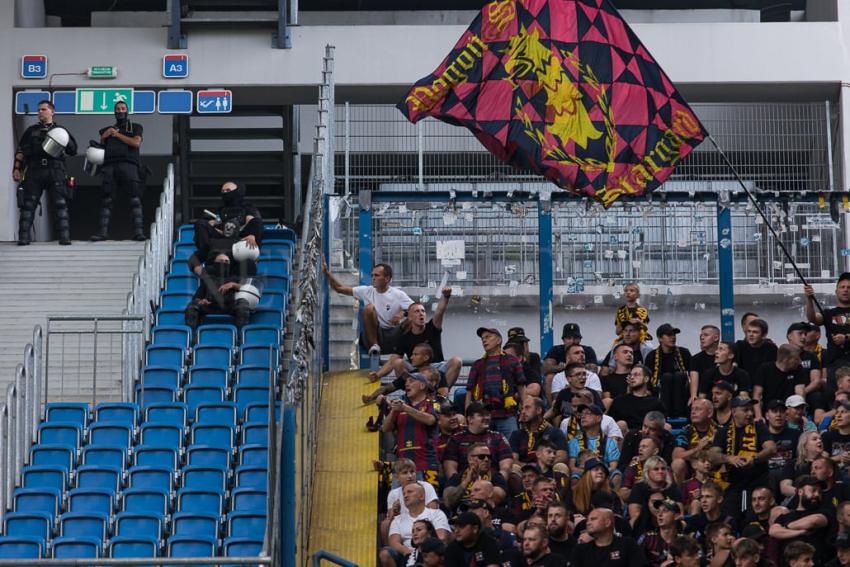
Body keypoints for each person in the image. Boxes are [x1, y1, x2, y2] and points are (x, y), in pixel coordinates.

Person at [13, 99, 77, 245]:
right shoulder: (31, 130)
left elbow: (73, 150)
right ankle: (24, 238)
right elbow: (21, 151)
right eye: (39, 110)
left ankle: (64, 238)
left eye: (43, 109)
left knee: (60, 203)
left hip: (55, 169)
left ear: (52, 112)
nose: (40, 112)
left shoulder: (61, 130)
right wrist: (17, 168)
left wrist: (62, 137)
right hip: (34, 170)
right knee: (28, 204)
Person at [709, 397, 776, 521]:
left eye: (751, 410)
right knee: (728, 522)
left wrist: (754, 459)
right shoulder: (723, 432)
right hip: (732, 486)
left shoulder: (759, 427)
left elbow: (771, 449)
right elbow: (712, 456)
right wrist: (729, 458)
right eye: (745, 410)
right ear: (734, 411)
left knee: (753, 522)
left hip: (757, 485)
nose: (750, 414)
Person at [325, 261, 412, 356]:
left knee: (412, 319)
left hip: (393, 333)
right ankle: (375, 346)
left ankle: (410, 349)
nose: (373, 278)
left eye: (377, 275)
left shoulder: (398, 294)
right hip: (375, 334)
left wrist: (402, 313)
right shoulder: (366, 291)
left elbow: (416, 309)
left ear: (387, 279)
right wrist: (326, 272)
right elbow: (339, 288)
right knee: (369, 308)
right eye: (372, 275)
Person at [90, 101, 146, 241]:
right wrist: (104, 137)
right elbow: (101, 148)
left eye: (123, 108)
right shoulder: (106, 130)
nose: (120, 111)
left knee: (134, 199)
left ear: (127, 111)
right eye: (117, 109)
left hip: (129, 165)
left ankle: (138, 232)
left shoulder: (135, 127)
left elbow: (136, 143)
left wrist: (116, 134)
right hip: (110, 166)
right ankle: (102, 233)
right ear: (114, 112)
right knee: (106, 200)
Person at [189, 181, 263, 277]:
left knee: (256, 222)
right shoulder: (220, 210)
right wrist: (213, 225)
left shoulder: (248, 208)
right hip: (222, 238)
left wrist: (249, 234)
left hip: (241, 239)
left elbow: (253, 221)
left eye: (228, 190)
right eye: (223, 191)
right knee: (201, 223)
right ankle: (207, 253)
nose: (225, 193)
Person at [393, 290, 463, 388]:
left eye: (423, 311)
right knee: (397, 363)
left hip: (437, 367)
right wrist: (378, 374)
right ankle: (411, 396)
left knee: (457, 361)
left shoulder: (432, 327)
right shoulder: (404, 337)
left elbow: (439, 311)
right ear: (409, 317)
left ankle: (441, 396)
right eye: (417, 311)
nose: (421, 313)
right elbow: (394, 359)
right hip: (416, 369)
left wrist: (446, 296)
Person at [382, 372, 440, 488]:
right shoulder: (401, 407)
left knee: (426, 502)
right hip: (402, 467)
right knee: (398, 502)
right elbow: (385, 428)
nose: (407, 384)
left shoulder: (433, 404)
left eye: (411, 381)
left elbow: (430, 420)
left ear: (422, 386)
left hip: (425, 464)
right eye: (406, 381)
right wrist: (394, 410)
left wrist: (405, 408)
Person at [466, 327, 526, 438]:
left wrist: (525, 408)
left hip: (507, 414)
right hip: (483, 414)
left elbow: (521, 386)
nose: (484, 340)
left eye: (488, 337)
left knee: (510, 447)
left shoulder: (512, 361)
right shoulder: (477, 364)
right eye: (482, 339)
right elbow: (469, 390)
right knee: (484, 448)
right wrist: (467, 414)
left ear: (499, 340)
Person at [383, 483, 451, 567]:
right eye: (404, 493)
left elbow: (441, 538)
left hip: (431, 552)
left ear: (422, 496)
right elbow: (393, 543)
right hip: (405, 554)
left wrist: (422, 551)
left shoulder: (437, 513)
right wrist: (409, 554)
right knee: (385, 552)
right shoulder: (398, 519)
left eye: (410, 492)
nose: (405, 496)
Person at [442, 404, 514, 481]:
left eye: (487, 415)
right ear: (470, 419)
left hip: (492, 483)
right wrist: (460, 486)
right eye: (481, 415)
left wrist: (499, 483)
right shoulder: (456, 439)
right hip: (463, 483)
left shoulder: (498, 437)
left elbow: (506, 467)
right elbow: (450, 468)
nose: (486, 418)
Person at [184, 253, 254, 331]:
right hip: (210, 306)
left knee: (243, 305)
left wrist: (233, 284)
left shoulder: (235, 278)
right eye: (221, 261)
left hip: (230, 305)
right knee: (192, 306)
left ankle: (241, 336)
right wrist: (202, 301)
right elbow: (197, 298)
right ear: (215, 264)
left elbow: (250, 289)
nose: (224, 263)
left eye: (226, 262)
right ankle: (193, 337)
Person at [568, 508, 649, 567]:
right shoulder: (580, 550)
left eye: (593, 519)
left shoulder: (627, 544)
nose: (588, 523)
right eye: (587, 520)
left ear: (607, 523)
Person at [645, 324, 692, 419]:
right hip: (660, 391)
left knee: (679, 376)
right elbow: (648, 377)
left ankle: (680, 414)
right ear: (660, 338)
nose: (673, 337)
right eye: (669, 335)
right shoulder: (652, 356)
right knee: (667, 377)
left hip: (682, 390)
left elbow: (692, 374)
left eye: (674, 335)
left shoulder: (684, 352)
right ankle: (664, 414)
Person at [804, 274, 850, 371]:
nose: (846, 290)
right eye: (842, 287)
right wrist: (809, 299)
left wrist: (846, 337)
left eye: (849, 287)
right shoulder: (828, 313)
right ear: (836, 292)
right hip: (835, 365)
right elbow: (813, 318)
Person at [752, 345, 809, 422]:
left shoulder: (798, 369)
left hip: (789, 412)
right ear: (786, 360)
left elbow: (800, 393)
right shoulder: (764, 369)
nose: (800, 361)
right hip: (770, 411)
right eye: (796, 359)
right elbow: (757, 395)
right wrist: (759, 416)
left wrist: (801, 414)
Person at [627, 456, 681, 537]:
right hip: (645, 522)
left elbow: (679, 512)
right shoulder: (639, 488)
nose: (660, 471)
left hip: (669, 522)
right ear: (647, 472)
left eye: (663, 469)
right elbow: (635, 514)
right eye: (656, 469)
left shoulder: (672, 488)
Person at [567, 405, 621, 482]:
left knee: (616, 474)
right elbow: (571, 466)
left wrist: (597, 473)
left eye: (588, 413)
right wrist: (589, 473)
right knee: (575, 476)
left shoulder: (609, 442)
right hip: (583, 475)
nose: (583, 416)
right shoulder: (574, 441)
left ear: (598, 418)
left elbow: (613, 466)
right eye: (582, 414)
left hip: (602, 474)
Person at [509, 396, 568, 465]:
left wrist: (542, 467)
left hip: (548, 470)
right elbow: (513, 460)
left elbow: (562, 457)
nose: (523, 412)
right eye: (522, 409)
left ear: (539, 410)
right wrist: (529, 468)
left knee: (560, 466)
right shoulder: (516, 434)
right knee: (514, 468)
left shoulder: (555, 432)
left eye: (527, 408)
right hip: (524, 471)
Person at [608, 365, 667, 433]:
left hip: (649, 437)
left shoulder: (656, 403)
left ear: (646, 379)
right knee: (621, 424)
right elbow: (610, 423)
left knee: (666, 426)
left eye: (636, 375)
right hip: (626, 438)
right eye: (631, 375)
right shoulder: (619, 401)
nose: (632, 377)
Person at [785, 322, 826, 418]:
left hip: (808, 393)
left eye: (805, 334)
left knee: (817, 396)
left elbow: (816, 381)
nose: (803, 337)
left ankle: (820, 426)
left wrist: (801, 394)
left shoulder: (811, 356)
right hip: (786, 393)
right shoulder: (781, 355)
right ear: (789, 336)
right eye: (800, 333)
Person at [672, 399, 717, 484]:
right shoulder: (687, 430)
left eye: (698, 409)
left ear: (710, 413)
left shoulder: (719, 431)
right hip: (691, 469)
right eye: (692, 409)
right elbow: (676, 456)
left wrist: (716, 445)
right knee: (677, 463)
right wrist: (697, 449)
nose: (693, 412)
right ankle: (680, 493)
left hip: (713, 467)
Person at [762, 399, 801, 494]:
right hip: (767, 477)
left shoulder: (796, 434)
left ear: (786, 416)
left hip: (790, 476)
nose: (778, 415)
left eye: (782, 411)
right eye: (774, 411)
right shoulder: (760, 435)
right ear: (767, 415)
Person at [638, 498, 682, 567]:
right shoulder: (647, 538)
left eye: (665, 511)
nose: (660, 514)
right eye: (658, 511)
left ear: (676, 516)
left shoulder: (683, 541)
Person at [688, 325, 721, 404]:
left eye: (706, 335)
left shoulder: (723, 356)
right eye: (701, 336)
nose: (702, 338)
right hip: (702, 393)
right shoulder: (696, 358)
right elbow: (694, 377)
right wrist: (693, 396)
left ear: (716, 338)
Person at [821, 399, 850, 479]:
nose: (838, 415)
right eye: (837, 412)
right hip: (833, 477)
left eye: (843, 412)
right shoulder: (827, 436)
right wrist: (838, 458)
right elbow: (822, 462)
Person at [601, 343, 635, 408]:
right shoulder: (606, 379)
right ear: (615, 357)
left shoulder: (637, 377)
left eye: (631, 353)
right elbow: (607, 403)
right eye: (625, 352)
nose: (629, 355)